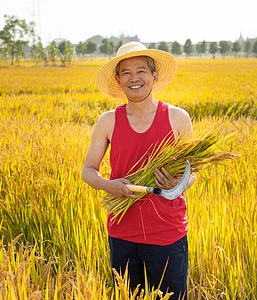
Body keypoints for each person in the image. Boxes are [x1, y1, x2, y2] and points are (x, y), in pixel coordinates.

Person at [81, 41, 195, 299]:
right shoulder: (108, 121)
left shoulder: (177, 118)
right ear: (118, 79)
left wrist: (176, 184)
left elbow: (193, 172)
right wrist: (110, 185)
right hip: (122, 232)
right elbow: (88, 170)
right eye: (127, 73)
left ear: (154, 76)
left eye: (141, 71)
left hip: (167, 233)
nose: (135, 78)